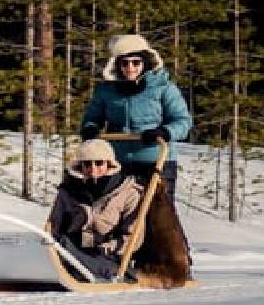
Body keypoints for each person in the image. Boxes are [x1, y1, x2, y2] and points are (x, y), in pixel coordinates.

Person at [80, 34, 192, 203]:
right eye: (124, 63)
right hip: (118, 162)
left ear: (145, 63)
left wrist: (164, 132)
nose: (130, 68)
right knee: (114, 211)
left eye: (135, 62)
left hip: (156, 161)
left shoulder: (163, 87)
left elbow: (183, 121)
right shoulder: (106, 91)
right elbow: (92, 118)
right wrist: (90, 128)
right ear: (117, 65)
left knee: (158, 215)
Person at [48, 139, 143, 281]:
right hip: (71, 249)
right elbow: (54, 225)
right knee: (57, 245)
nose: (93, 169)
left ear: (109, 165)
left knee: (66, 250)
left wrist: (107, 248)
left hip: (108, 257)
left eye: (99, 163)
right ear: (80, 166)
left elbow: (133, 237)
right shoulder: (68, 190)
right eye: (87, 164)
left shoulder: (128, 193)